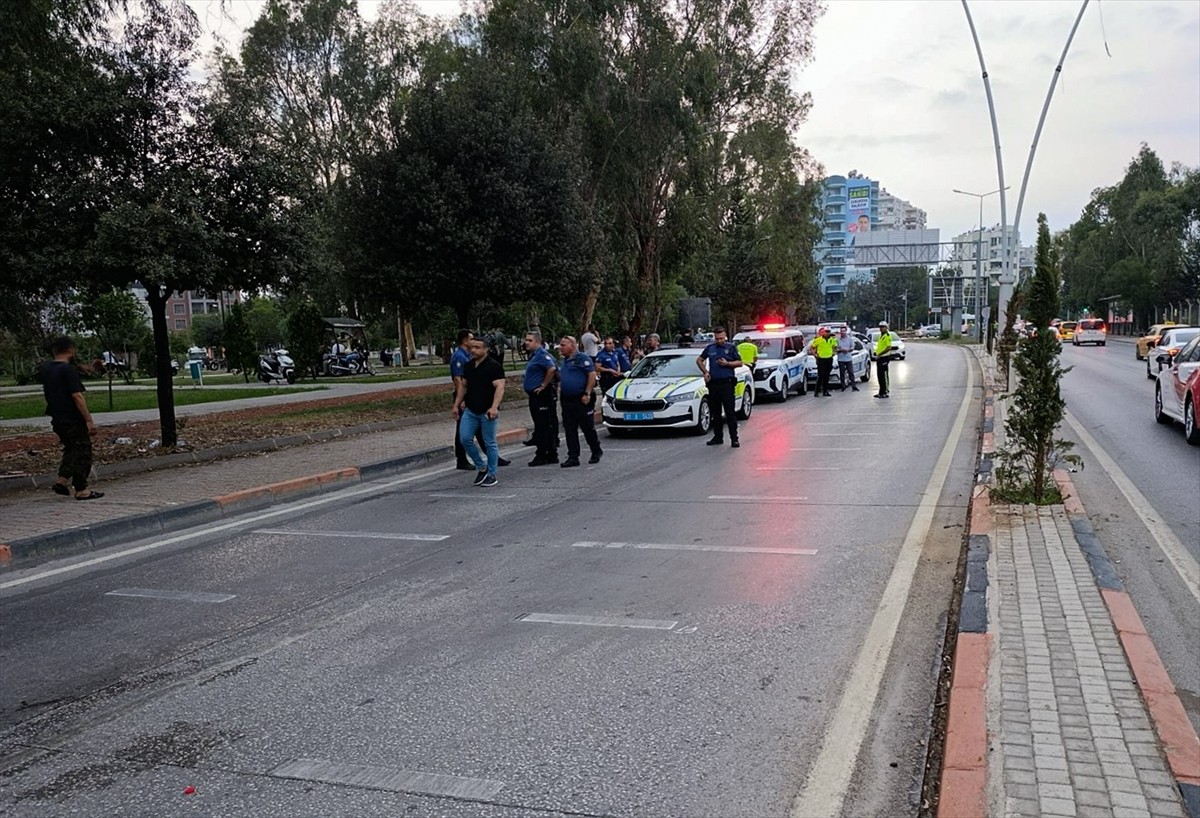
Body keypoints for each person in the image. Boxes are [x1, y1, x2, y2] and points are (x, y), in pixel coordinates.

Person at [40, 336, 103, 500]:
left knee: (71, 449)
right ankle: (81, 489)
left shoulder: (47, 369)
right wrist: (88, 420)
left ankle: (61, 481)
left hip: (57, 417)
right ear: (70, 350)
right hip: (72, 417)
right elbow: (77, 396)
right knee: (83, 451)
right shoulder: (68, 370)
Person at [451, 330, 509, 469]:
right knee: (465, 437)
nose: (473, 350)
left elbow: (500, 387)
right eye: (472, 347)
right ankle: (479, 465)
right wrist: (457, 403)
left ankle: (491, 472)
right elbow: (462, 384)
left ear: (486, 349)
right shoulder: (467, 364)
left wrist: (494, 407)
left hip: (487, 409)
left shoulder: (493, 366)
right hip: (470, 408)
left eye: (477, 347)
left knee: (489, 441)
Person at [557, 335, 603, 467]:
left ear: (572, 346)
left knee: (587, 427)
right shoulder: (564, 361)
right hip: (567, 399)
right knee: (570, 428)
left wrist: (587, 393)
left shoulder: (582, 358)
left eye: (563, 345)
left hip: (582, 398)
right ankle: (573, 457)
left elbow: (592, 375)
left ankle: (596, 450)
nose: (561, 348)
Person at [696, 326, 743, 448]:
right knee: (715, 412)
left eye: (721, 338)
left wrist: (727, 363)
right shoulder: (710, 348)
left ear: (725, 336)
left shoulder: (730, 348)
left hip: (727, 384)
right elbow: (699, 360)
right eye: (717, 338)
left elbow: (740, 362)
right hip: (714, 384)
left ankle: (734, 438)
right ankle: (718, 437)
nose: (719, 341)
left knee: (730, 412)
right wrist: (705, 372)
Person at [523, 330, 559, 466]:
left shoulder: (542, 355)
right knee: (543, 425)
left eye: (530, 340)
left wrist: (543, 385)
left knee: (543, 426)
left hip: (542, 396)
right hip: (535, 396)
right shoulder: (534, 356)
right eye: (526, 340)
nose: (526, 342)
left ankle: (542, 454)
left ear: (538, 342)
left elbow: (552, 368)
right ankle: (551, 453)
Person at [807, 326, 838, 397]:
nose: (827, 333)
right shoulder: (818, 340)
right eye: (826, 332)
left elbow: (835, 347)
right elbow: (812, 347)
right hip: (821, 359)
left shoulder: (832, 340)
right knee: (820, 375)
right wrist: (815, 355)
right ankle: (817, 391)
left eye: (828, 332)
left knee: (826, 376)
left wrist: (834, 353)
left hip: (829, 359)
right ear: (823, 332)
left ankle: (825, 391)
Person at [874, 321, 899, 399]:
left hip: (884, 358)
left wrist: (880, 354)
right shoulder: (881, 336)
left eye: (882, 327)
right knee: (879, 376)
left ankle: (885, 391)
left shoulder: (887, 336)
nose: (881, 328)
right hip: (879, 358)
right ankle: (881, 392)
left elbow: (888, 347)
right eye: (880, 327)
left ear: (886, 328)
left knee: (884, 375)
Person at [835, 325, 859, 392]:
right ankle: (843, 386)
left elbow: (852, 347)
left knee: (851, 372)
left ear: (846, 331)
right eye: (841, 331)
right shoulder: (837, 340)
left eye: (844, 331)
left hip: (848, 358)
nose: (842, 332)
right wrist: (841, 350)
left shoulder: (850, 339)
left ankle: (853, 386)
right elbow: (835, 349)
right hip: (841, 359)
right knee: (842, 373)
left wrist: (848, 350)